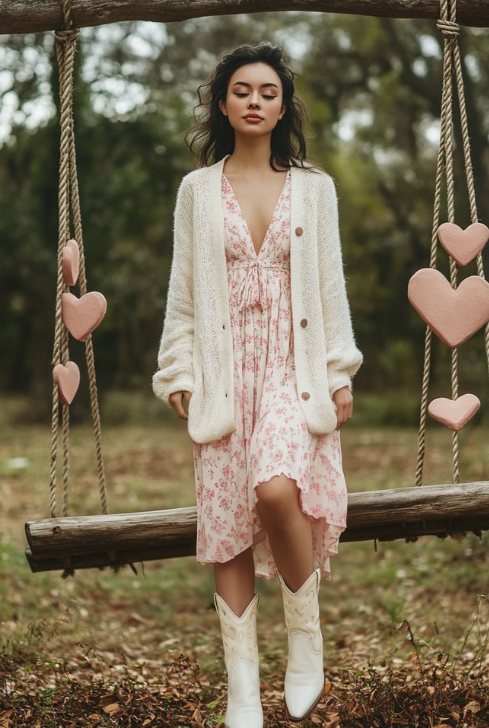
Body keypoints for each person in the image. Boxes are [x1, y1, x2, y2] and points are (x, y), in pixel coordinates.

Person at [153, 42, 362, 728]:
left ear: (283, 106)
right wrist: (179, 369)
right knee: (227, 528)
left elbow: (329, 284)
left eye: (268, 92)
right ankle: (242, 684)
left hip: (291, 369)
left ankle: (304, 638)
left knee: (276, 489)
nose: (253, 100)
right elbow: (183, 290)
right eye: (241, 90)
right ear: (222, 103)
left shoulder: (315, 187)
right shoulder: (196, 191)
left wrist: (338, 373)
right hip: (223, 369)